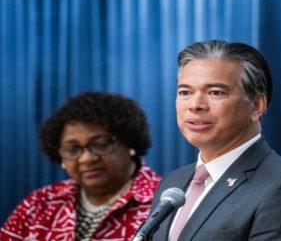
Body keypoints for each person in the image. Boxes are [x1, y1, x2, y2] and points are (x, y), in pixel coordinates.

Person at [150, 40, 281, 240]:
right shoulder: (173, 183)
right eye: (185, 92)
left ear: (257, 105)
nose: (195, 105)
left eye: (215, 92)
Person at [0, 91, 161, 241]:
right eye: (73, 149)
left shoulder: (164, 203)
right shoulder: (38, 204)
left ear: (129, 143)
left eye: (100, 144)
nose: (86, 159)